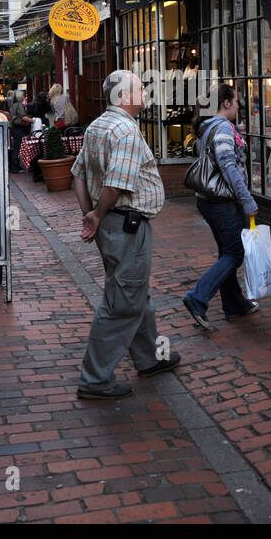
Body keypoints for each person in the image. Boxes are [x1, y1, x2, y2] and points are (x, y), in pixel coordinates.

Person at [71, 69, 177, 400]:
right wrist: (97, 215)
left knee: (133, 291)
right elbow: (115, 183)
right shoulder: (125, 131)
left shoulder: (97, 125)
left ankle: (149, 359)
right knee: (122, 301)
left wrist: (90, 215)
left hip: (112, 224)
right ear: (123, 96)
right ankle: (95, 379)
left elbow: (78, 175)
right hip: (125, 224)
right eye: (140, 88)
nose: (145, 92)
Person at [179, 83, 260, 329]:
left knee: (227, 251)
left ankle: (234, 304)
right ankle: (197, 298)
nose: (238, 106)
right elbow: (228, 166)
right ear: (226, 103)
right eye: (236, 102)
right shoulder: (223, 126)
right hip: (222, 202)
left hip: (209, 201)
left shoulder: (208, 126)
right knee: (235, 254)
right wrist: (247, 200)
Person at [7, 88, 32, 172]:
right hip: (18, 128)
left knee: (15, 147)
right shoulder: (19, 104)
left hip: (13, 128)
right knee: (17, 147)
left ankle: (14, 166)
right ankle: (15, 167)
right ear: (19, 96)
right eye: (23, 95)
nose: (24, 96)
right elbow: (23, 116)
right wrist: (33, 120)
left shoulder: (13, 104)